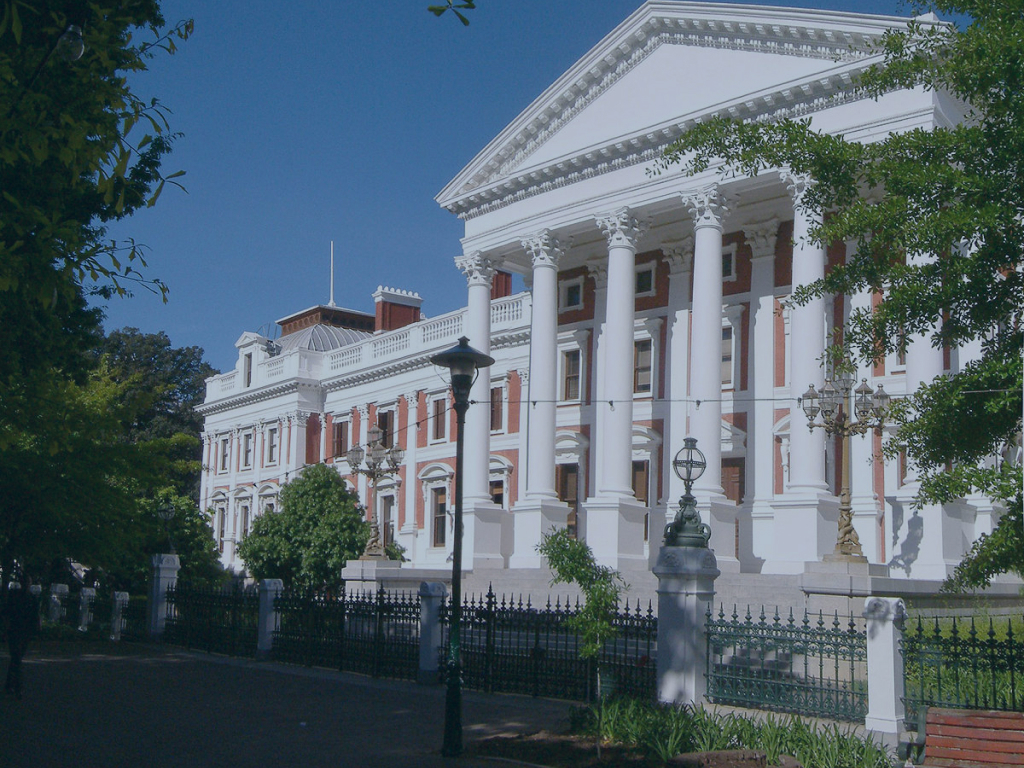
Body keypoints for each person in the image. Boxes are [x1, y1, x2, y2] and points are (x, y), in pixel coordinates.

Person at [3, 574, 39, 700]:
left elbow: (35, 617)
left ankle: (9, 685)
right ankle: (18, 686)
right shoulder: (15, 596)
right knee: (17, 658)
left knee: (16, 659)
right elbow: (7, 613)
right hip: (15, 631)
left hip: (24, 633)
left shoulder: (32, 599)